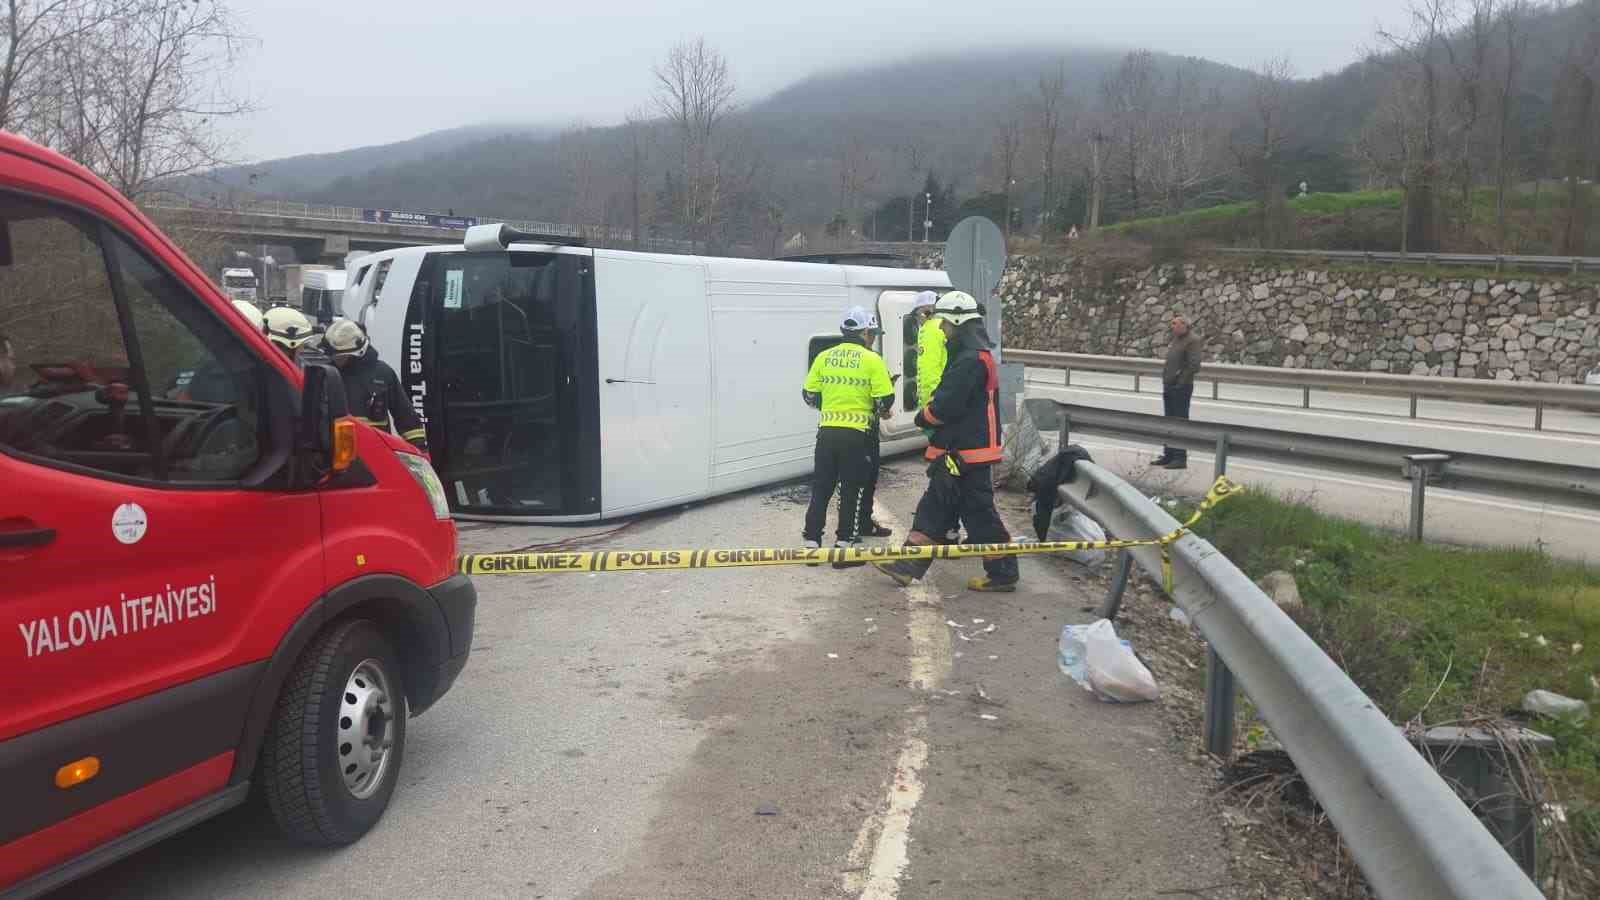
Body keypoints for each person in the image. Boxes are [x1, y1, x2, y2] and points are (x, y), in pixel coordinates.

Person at [875, 291, 1019, 593]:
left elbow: (947, 405)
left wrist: (923, 417)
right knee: (936, 507)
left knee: (978, 513)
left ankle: (1004, 573)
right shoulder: (974, 357)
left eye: (944, 323)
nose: (940, 329)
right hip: (962, 451)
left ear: (956, 321)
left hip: (967, 452)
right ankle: (907, 566)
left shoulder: (970, 361)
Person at [802, 306, 894, 567]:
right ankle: (845, 546)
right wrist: (879, 409)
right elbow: (884, 399)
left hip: (827, 433)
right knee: (852, 489)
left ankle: (811, 544)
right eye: (872, 333)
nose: (873, 337)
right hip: (857, 436)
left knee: (822, 487)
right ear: (865, 332)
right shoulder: (871, 360)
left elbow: (809, 395)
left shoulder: (824, 357)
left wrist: (831, 406)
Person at [323, 317, 429, 452]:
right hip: (337, 455)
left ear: (357, 353)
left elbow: (406, 418)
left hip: (376, 454)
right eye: (334, 356)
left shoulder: (383, 374)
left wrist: (420, 450)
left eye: (340, 356)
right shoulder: (327, 374)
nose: (335, 359)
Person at [1151, 315, 1202, 470]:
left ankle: (1180, 457)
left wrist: (1180, 381)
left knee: (1179, 420)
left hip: (1181, 387)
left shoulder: (1193, 340)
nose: (1172, 326)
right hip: (1169, 385)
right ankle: (1169, 454)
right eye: (1171, 323)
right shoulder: (1176, 339)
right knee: (1169, 420)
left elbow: (1194, 365)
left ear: (1184, 325)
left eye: (1175, 323)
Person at [914, 290, 945, 410]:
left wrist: (927, 405)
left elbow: (929, 372)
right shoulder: (946, 326)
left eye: (918, 313)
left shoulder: (930, 329)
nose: (918, 318)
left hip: (934, 402)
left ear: (926, 311)